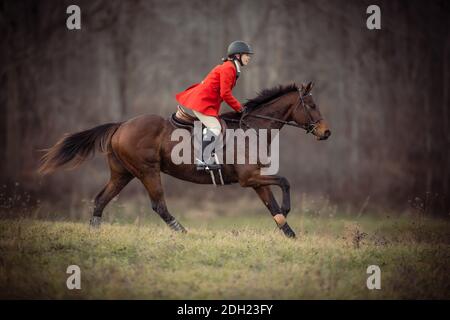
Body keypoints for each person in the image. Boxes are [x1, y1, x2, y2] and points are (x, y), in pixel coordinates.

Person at [175, 40, 253, 170]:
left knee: (216, 126)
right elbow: (225, 94)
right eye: (246, 55)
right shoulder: (229, 68)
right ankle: (203, 159)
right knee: (215, 128)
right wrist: (240, 108)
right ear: (237, 56)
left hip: (206, 102)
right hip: (201, 102)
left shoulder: (231, 67)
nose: (249, 57)